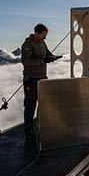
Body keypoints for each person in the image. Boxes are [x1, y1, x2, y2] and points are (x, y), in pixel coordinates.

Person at [21, 23, 62, 153]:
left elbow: (47, 54)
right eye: (43, 36)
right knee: (30, 107)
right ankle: (28, 135)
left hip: (42, 78)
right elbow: (26, 62)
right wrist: (43, 61)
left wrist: (53, 57)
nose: (45, 39)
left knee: (44, 105)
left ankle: (39, 130)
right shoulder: (27, 44)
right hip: (31, 80)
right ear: (37, 33)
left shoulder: (42, 43)